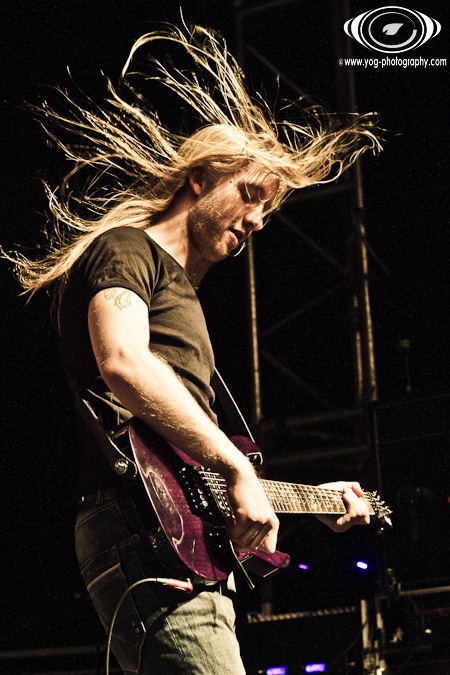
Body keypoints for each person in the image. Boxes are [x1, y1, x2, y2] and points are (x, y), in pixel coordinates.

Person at [7, 25, 380, 675]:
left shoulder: (180, 292)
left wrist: (309, 499)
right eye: (252, 194)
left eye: (267, 209)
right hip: (143, 535)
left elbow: (192, 471)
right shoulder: (126, 249)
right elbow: (123, 362)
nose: (258, 219)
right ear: (201, 178)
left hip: (171, 540)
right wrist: (236, 467)